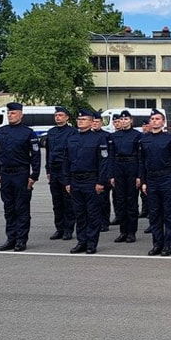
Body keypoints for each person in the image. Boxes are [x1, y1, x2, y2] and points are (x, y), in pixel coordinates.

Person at [0, 102, 41, 251]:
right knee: (9, 208)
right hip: (6, 174)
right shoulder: (1, 131)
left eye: (13, 113)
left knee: (21, 208)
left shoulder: (28, 133)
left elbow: (35, 156)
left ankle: (21, 240)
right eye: (8, 113)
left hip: (21, 174)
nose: (10, 115)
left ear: (21, 114)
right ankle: (11, 238)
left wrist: (34, 176)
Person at [64, 109, 111, 254]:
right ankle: (81, 241)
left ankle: (91, 243)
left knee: (92, 214)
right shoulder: (72, 138)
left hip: (91, 180)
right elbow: (66, 161)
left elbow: (104, 162)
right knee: (79, 213)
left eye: (84, 119)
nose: (80, 121)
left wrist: (101, 182)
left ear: (91, 122)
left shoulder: (99, 139)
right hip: (75, 180)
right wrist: (67, 181)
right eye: (79, 119)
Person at [139, 109, 171, 256]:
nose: (154, 121)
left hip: (166, 178)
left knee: (168, 213)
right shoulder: (144, 139)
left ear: (163, 122)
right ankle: (157, 243)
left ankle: (167, 245)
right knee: (154, 213)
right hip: (151, 179)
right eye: (152, 119)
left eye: (157, 119)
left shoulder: (170, 139)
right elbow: (142, 162)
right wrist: (143, 181)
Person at [109, 110, 141, 243]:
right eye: (121, 120)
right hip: (118, 168)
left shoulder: (137, 135)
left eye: (126, 119)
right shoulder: (114, 136)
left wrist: (139, 176)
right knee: (120, 201)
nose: (123, 121)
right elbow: (110, 156)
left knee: (131, 201)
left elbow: (140, 157)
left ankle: (131, 232)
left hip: (132, 167)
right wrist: (111, 175)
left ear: (131, 121)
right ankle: (123, 231)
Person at [44, 106, 76, 241]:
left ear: (67, 117)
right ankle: (59, 228)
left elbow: (74, 153)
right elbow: (48, 152)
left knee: (67, 201)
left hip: (66, 170)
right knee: (56, 202)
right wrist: (48, 170)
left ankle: (68, 229)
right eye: (56, 115)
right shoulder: (51, 132)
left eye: (61, 115)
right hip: (54, 170)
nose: (58, 117)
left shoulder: (73, 132)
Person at [90, 116, 111, 232]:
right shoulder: (87, 136)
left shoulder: (106, 136)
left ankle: (104, 222)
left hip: (103, 172)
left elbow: (107, 157)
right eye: (93, 121)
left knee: (103, 199)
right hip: (91, 172)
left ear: (101, 123)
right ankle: (95, 221)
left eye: (97, 122)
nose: (95, 124)